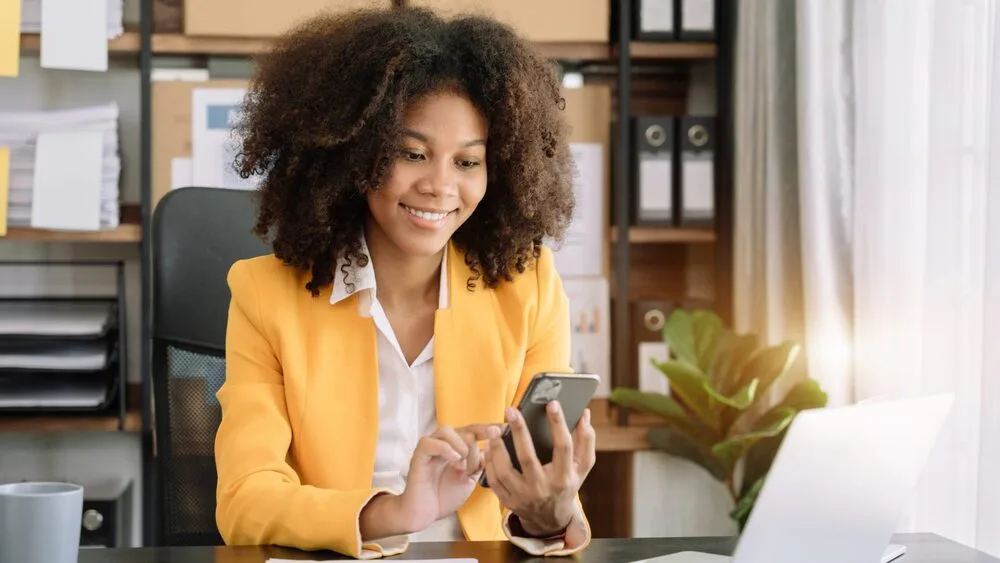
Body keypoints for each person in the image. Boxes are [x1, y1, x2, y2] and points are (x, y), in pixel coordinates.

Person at [214, 4, 597, 560]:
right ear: (352, 154)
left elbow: (541, 511)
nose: (441, 187)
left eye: (468, 163)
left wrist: (551, 509)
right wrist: (394, 512)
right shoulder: (264, 295)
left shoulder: (529, 287)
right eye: (412, 154)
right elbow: (244, 502)